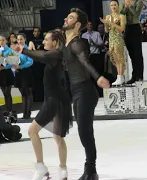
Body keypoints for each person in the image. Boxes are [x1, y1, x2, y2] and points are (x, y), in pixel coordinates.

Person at [17, 30, 72, 180]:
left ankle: (41, 167)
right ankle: (63, 170)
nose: (44, 42)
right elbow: (41, 55)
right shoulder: (58, 54)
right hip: (60, 99)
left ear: (54, 42)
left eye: (47, 39)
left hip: (54, 100)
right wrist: (29, 50)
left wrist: (24, 50)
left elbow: (42, 56)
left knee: (32, 131)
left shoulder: (55, 54)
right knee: (58, 137)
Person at [62, 8, 110, 180]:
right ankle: (90, 170)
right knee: (84, 132)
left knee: (85, 131)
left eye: (71, 17)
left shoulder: (77, 42)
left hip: (85, 91)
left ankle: (91, 170)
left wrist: (97, 78)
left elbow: (85, 61)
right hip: (76, 91)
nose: (66, 19)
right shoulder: (66, 43)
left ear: (78, 24)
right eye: (67, 16)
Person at [100, 0, 126, 86]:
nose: (113, 7)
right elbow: (106, 30)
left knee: (120, 58)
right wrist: (106, 24)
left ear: (118, 5)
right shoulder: (108, 16)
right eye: (111, 5)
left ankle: (121, 76)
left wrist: (111, 23)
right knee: (115, 59)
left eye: (115, 5)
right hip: (111, 39)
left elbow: (122, 29)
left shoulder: (121, 16)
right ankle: (119, 77)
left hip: (118, 39)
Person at [121, 0, 144, 84]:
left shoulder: (139, 2)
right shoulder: (125, 2)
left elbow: (137, 15)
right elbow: (121, 14)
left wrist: (130, 6)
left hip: (135, 27)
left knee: (138, 54)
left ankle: (140, 76)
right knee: (131, 54)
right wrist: (125, 7)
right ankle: (134, 76)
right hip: (127, 28)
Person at [13, 34, 34, 119]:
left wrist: (20, 66)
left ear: (25, 39)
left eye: (21, 39)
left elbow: (30, 61)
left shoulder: (27, 49)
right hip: (18, 73)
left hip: (26, 72)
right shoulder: (16, 50)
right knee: (23, 94)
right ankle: (24, 113)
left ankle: (28, 113)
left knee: (28, 93)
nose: (19, 41)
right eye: (18, 39)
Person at [0, 34, 15, 114]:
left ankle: (9, 110)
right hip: (1, 74)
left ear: (6, 41)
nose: (1, 42)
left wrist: (3, 67)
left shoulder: (10, 50)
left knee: (7, 93)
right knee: (4, 93)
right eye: (0, 40)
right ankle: (7, 110)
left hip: (7, 73)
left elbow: (12, 62)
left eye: (3, 40)